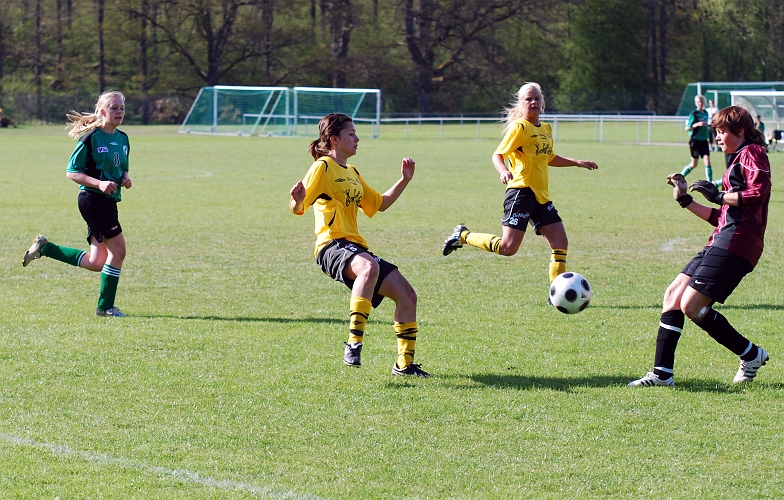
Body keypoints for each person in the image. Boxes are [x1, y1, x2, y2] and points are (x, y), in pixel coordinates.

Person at [629, 105, 771, 387]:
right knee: (673, 295)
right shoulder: (735, 159)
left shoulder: (752, 153)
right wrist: (685, 200)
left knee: (691, 305)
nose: (717, 138)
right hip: (724, 237)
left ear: (739, 131)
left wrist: (718, 195)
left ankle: (750, 354)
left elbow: (758, 192)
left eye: (721, 131)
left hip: (739, 243)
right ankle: (662, 374)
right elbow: (722, 217)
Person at [289, 113, 431, 377]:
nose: (357, 138)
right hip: (331, 245)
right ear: (334, 139)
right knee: (368, 268)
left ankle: (405, 365)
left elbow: (380, 204)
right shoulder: (322, 167)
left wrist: (405, 179)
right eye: (351, 134)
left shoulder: (352, 172)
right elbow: (298, 207)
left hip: (355, 247)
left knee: (407, 295)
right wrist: (297, 199)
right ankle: (354, 344)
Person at [441, 82, 598, 288]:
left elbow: (548, 157)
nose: (533, 102)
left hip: (541, 195)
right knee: (508, 248)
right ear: (521, 104)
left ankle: (556, 293)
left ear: (542, 103)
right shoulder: (520, 128)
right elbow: (497, 155)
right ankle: (463, 235)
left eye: (536, 98)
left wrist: (577, 162)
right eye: (528, 99)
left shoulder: (546, 128)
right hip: (521, 192)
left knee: (560, 242)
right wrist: (504, 171)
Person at [22, 90, 132, 317]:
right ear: (102, 112)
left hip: (108, 201)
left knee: (96, 262)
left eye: (121, 108)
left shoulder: (123, 138)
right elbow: (72, 172)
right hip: (93, 200)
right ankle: (105, 308)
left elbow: (121, 166)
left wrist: (125, 177)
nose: (119, 111)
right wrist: (99, 184)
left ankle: (45, 248)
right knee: (118, 251)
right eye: (114, 108)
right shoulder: (91, 138)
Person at [681, 94, 714, 182]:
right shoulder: (694, 114)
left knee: (707, 162)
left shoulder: (706, 113)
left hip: (704, 141)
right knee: (694, 164)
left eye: (702, 101)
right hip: (695, 141)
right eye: (698, 101)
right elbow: (687, 128)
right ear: (696, 103)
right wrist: (697, 124)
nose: (700, 103)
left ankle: (710, 182)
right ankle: (680, 177)